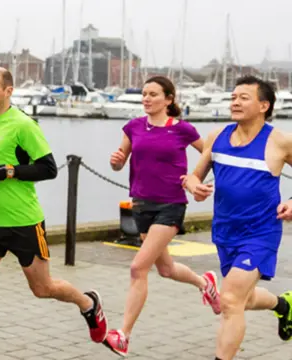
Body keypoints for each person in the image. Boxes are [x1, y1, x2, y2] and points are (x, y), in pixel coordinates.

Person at [0, 67, 108, 360]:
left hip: (24, 223)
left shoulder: (24, 125)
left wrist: (6, 173)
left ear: (8, 91)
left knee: (43, 288)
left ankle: (88, 303)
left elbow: (48, 169)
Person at [104, 76, 221, 356]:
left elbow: (211, 155)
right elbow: (120, 163)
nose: (146, 99)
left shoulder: (182, 129)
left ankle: (124, 335)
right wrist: (116, 162)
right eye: (144, 94)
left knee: (137, 268)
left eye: (153, 94)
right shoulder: (133, 127)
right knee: (165, 269)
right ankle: (206, 283)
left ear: (168, 100)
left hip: (171, 204)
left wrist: (195, 181)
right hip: (142, 204)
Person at [181, 75, 292, 360]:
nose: (235, 102)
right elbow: (194, 176)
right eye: (233, 97)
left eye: (244, 97)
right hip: (224, 232)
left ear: (264, 105)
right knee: (243, 298)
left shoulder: (279, 141)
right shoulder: (217, 137)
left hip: (260, 233)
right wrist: (194, 185)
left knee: (229, 299)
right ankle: (284, 305)